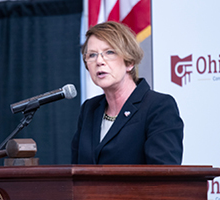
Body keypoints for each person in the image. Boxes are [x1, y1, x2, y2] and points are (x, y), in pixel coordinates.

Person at [71, 21, 183, 165]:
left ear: (129, 62)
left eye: (109, 52)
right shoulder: (89, 109)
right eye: (92, 55)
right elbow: (75, 171)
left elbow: (164, 177)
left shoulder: (158, 106)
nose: (99, 61)